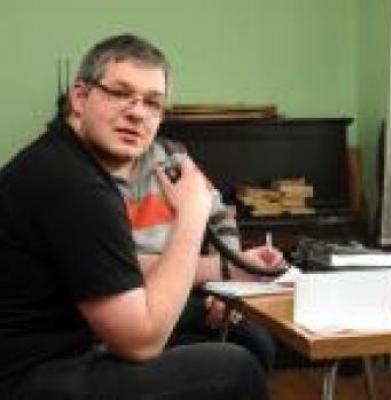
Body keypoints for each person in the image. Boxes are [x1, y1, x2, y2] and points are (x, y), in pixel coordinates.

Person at [0, 33, 284, 399]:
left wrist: (230, 268)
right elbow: (141, 342)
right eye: (120, 93)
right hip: (29, 377)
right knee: (235, 370)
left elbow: (116, 267)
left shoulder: (63, 158)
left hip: (65, 344)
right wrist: (191, 215)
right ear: (80, 97)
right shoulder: (76, 185)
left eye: (153, 102)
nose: (137, 113)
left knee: (248, 338)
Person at [113, 136, 277, 371]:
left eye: (152, 112)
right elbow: (118, 265)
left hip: (190, 288)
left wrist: (225, 288)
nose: (138, 118)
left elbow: (220, 218)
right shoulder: (84, 174)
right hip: (128, 300)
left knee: (257, 344)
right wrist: (226, 270)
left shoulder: (172, 155)